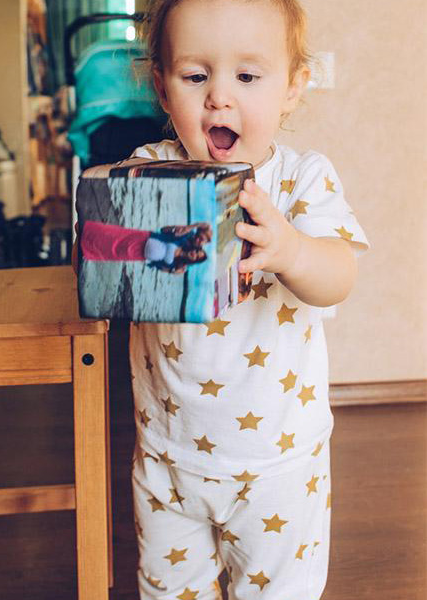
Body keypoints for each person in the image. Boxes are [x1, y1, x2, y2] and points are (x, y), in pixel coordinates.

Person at [122, 2, 369, 599]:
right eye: (196, 75)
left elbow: (339, 274)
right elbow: (112, 268)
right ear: (161, 86)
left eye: (248, 77)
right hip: (167, 455)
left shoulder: (303, 180)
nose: (219, 98)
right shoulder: (148, 173)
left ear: (292, 87)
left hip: (278, 464)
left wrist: (291, 250)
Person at [81, 221, 212, 273]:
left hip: (140, 255)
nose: (194, 254)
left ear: (194, 261)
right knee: (112, 235)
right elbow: (165, 230)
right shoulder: (184, 239)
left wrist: (173, 271)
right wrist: (193, 227)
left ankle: (88, 250)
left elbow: (162, 268)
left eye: (197, 257)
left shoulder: (180, 266)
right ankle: (88, 231)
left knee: (113, 252)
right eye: (197, 252)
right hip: (143, 238)